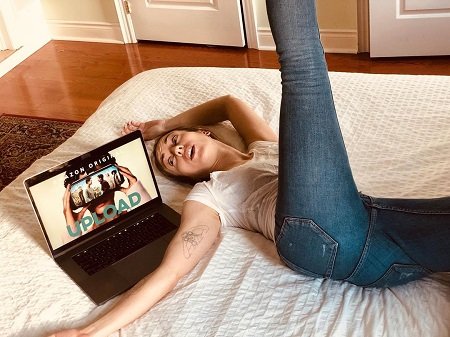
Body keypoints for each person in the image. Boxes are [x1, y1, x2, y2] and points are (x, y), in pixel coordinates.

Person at [48, 1, 450, 336]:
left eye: (175, 144)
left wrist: (163, 126)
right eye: (168, 162)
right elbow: (172, 268)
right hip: (311, 236)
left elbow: (226, 103)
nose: (173, 153)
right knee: (304, 71)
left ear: (203, 132)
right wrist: (89, 332)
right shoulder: (210, 194)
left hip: (373, 247)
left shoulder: (264, 147)